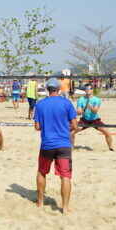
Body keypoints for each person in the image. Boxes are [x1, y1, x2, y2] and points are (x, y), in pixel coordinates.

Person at [33, 78, 78, 214]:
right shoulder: (66, 103)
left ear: (47, 89)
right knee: (65, 176)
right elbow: (75, 125)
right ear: (59, 89)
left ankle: (40, 202)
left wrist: (49, 128)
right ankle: (64, 207)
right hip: (63, 144)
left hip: (47, 144)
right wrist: (64, 129)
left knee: (42, 172)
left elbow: (37, 127)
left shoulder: (40, 105)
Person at [71, 84, 114, 151]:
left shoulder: (97, 100)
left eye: (89, 89)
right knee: (72, 132)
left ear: (92, 90)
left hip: (95, 120)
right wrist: (82, 109)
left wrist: (90, 106)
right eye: (86, 89)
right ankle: (71, 148)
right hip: (84, 120)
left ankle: (111, 148)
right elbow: (78, 112)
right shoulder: (81, 99)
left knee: (107, 132)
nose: (87, 90)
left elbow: (95, 111)